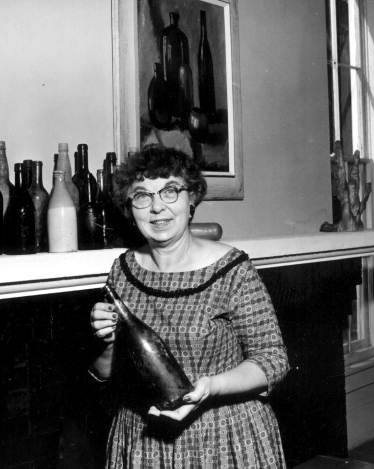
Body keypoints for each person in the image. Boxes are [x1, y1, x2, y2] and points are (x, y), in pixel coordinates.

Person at [89, 145, 289, 468]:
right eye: (142, 195)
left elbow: (274, 360)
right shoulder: (121, 272)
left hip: (225, 440)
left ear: (191, 197)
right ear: (129, 206)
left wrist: (211, 387)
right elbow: (104, 376)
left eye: (170, 191)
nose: (157, 208)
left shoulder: (231, 268)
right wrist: (107, 343)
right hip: (144, 444)